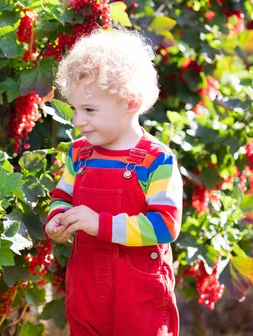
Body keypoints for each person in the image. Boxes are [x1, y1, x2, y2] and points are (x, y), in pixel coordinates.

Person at [45, 28, 183, 336]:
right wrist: (57, 219)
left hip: (138, 298)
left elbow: (165, 226)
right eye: (75, 109)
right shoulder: (79, 153)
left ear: (130, 102)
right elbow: (62, 196)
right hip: (86, 288)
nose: (78, 120)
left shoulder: (156, 160)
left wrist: (99, 224)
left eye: (90, 110)